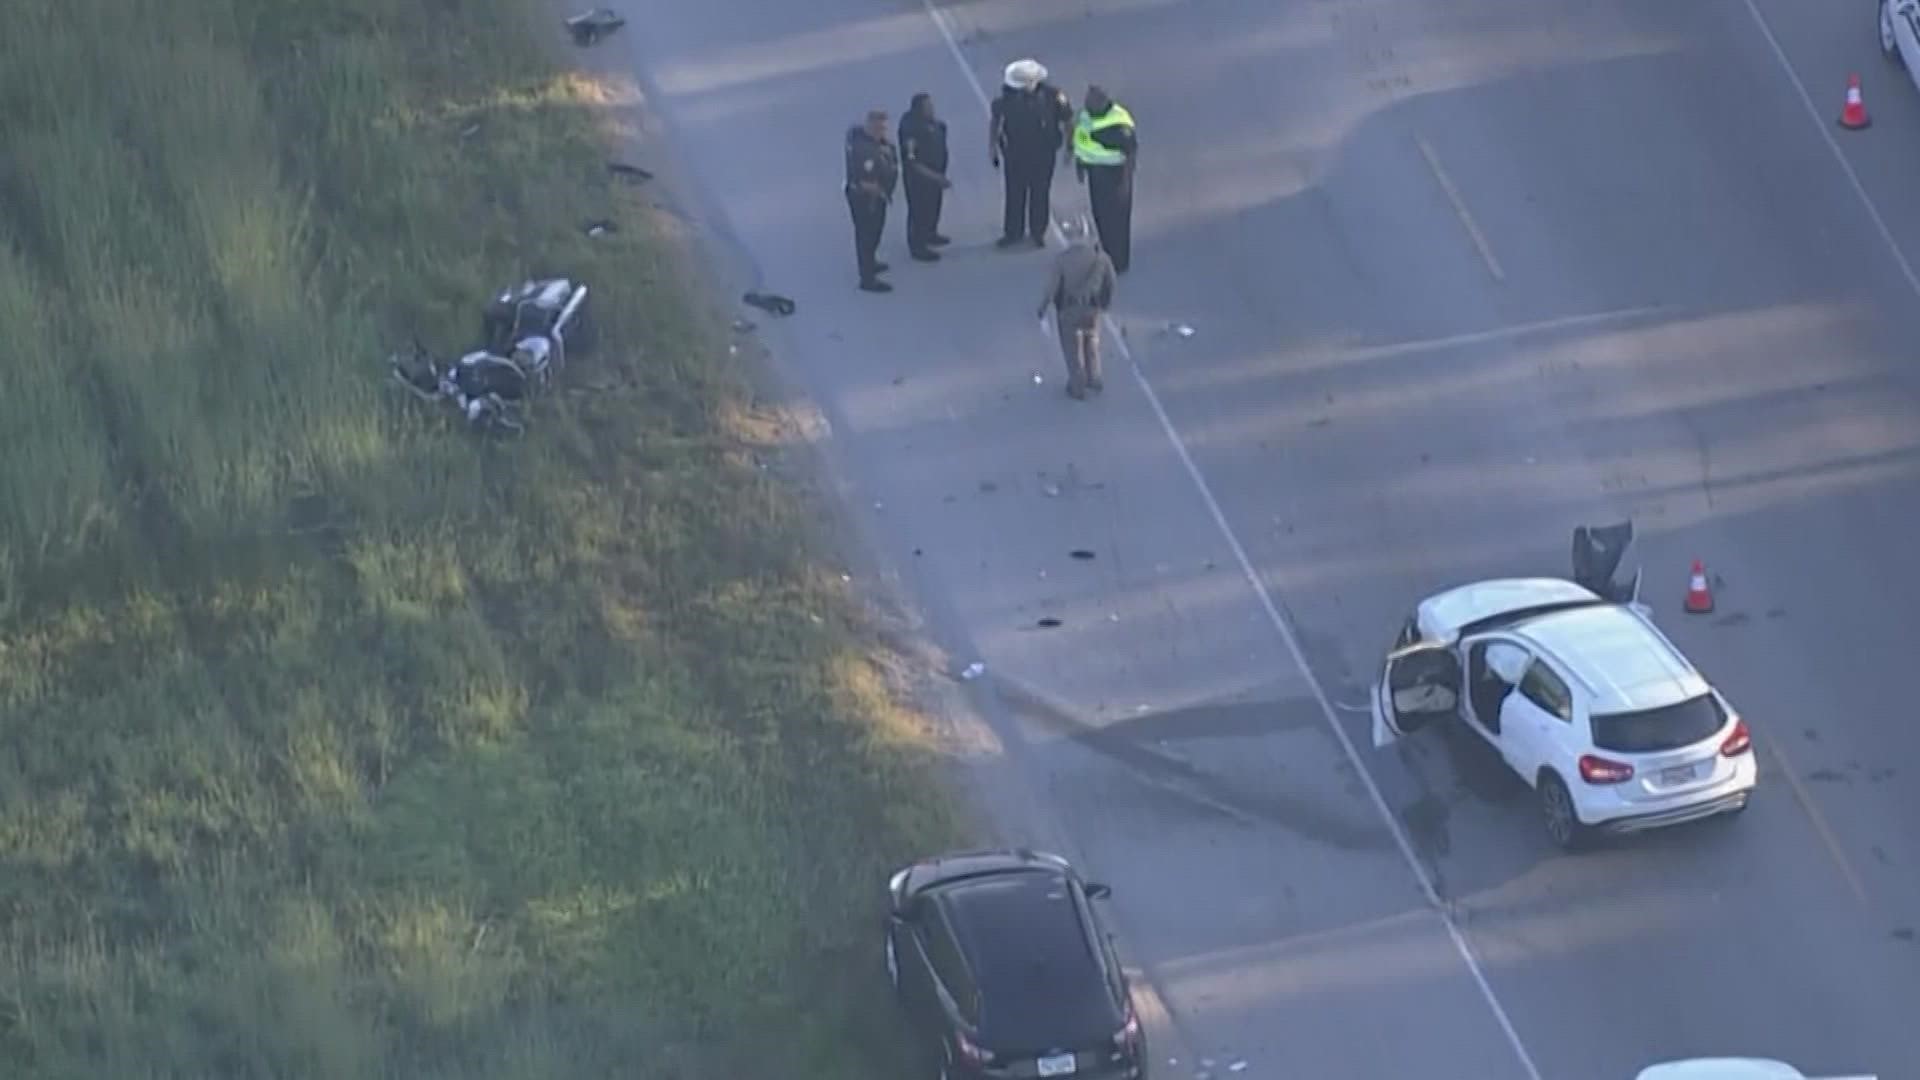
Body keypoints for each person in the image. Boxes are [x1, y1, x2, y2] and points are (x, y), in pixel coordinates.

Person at [990, 58, 1074, 250]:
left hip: (1043, 153)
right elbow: (996, 122)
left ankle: (1038, 232)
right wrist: (993, 148)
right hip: (1014, 153)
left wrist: (1070, 148)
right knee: (1014, 193)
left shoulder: (1053, 97)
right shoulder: (1005, 98)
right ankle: (1013, 232)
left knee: (1040, 193)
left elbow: (1068, 122)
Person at [1036, 216, 1118, 399]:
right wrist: (1105, 303)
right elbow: (1110, 281)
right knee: (1092, 342)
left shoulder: (1062, 260)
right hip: (1092, 308)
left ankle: (1077, 384)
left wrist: (1042, 306)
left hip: (1069, 309)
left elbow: (1052, 286)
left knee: (1072, 349)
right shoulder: (1099, 257)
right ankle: (1094, 377)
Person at [1073, 85, 1138, 273]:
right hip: (1096, 171)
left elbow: (1131, 149)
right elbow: (1081, 139)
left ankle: (1118, 261)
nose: (1088, 105)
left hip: (1115, 174)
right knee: (1100, 214)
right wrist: (1080, 164)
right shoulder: (1087, 116)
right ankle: (1106, 251)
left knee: (1117, 218)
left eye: (1092, 102)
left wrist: (1128, 171)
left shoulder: (1118, 123)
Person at [845, 108, 899, 292]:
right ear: (868, 126)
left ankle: (871, 261)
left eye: (883, 128)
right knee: (866, 235)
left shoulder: (881, 145)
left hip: (879, 197)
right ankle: (867, 278)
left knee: (876, 231)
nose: (880, 131)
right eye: (877, 127)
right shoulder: (864, 150)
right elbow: (863, 181)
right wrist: (881, 192)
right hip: (865, 199)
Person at [898, 92, 953, 262]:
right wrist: (935, 177)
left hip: (935, 175)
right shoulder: (910, 129)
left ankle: (931, 233)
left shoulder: (933, 123)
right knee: (919, 211)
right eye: (927, 107)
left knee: (933, 207)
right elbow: (912, 161)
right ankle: (918, 246)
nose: (931, 109)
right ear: (918, 109)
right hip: (919, 179)